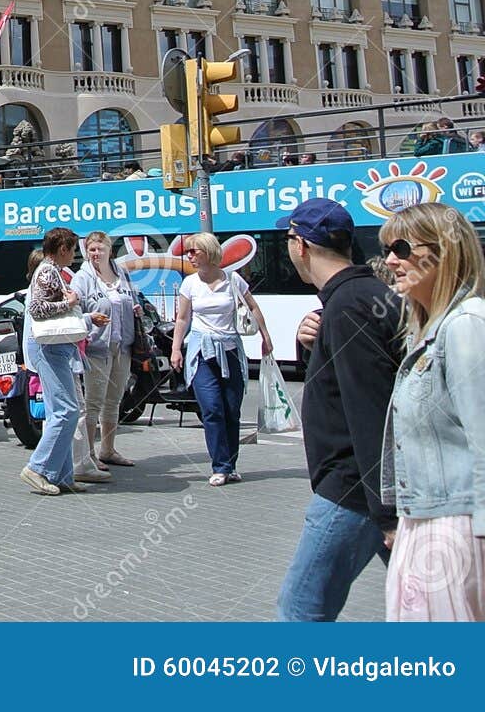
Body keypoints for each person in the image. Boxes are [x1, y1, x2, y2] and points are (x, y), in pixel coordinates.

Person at [275, 199, 404, 621]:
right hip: (368, 490)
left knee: (300, 612)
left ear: (301, 246)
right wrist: (317, 346)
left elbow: (370, 410)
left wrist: (387, 514)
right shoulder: (359, 296)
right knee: (422, 607)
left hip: (353, 492)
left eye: (289, 239)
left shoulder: (347, 305)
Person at [378, 203, 485, 621]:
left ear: (445, 251)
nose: (390, 260)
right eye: (387, 248)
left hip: (455, 529)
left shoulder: (465, 326)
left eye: (402, 248)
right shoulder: (430, 329)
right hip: (423, 520)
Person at [172, 232, 274, 487]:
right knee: (212, 408)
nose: (190, 256)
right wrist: (176, 349)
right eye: (188, 252)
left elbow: (252, 307)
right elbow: (183, 318)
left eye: (195, 251)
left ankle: (230, 465)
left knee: (231, 409)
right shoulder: (190, 284)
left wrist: (266, 336)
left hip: (230, 351)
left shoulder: (233, 279)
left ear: (209, 252)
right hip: (202, 351)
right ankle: (220, 465)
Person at [19, 228, 86, 496]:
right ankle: (38, 468)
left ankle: (62, 475)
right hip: (49, 347)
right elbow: (37, 308)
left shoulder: (48, 270)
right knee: (66, 410)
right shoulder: (48, 271)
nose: (74, 255)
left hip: (53, 347)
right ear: (62, 249)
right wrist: (68, 303)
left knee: (64, 408)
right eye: (72, 249)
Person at [72, 230, 137, 473]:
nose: (96, 253)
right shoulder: (83, 277)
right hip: (96, 347)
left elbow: (131, 300)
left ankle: (108, 449)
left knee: (114, 399)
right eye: (91, 249)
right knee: (94, 402)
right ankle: (88, 453)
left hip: (123, 345)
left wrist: (137, 309)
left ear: (110, 250)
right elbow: (75, 308)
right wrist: (90, 318)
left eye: (100, 249)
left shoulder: (122, 273)